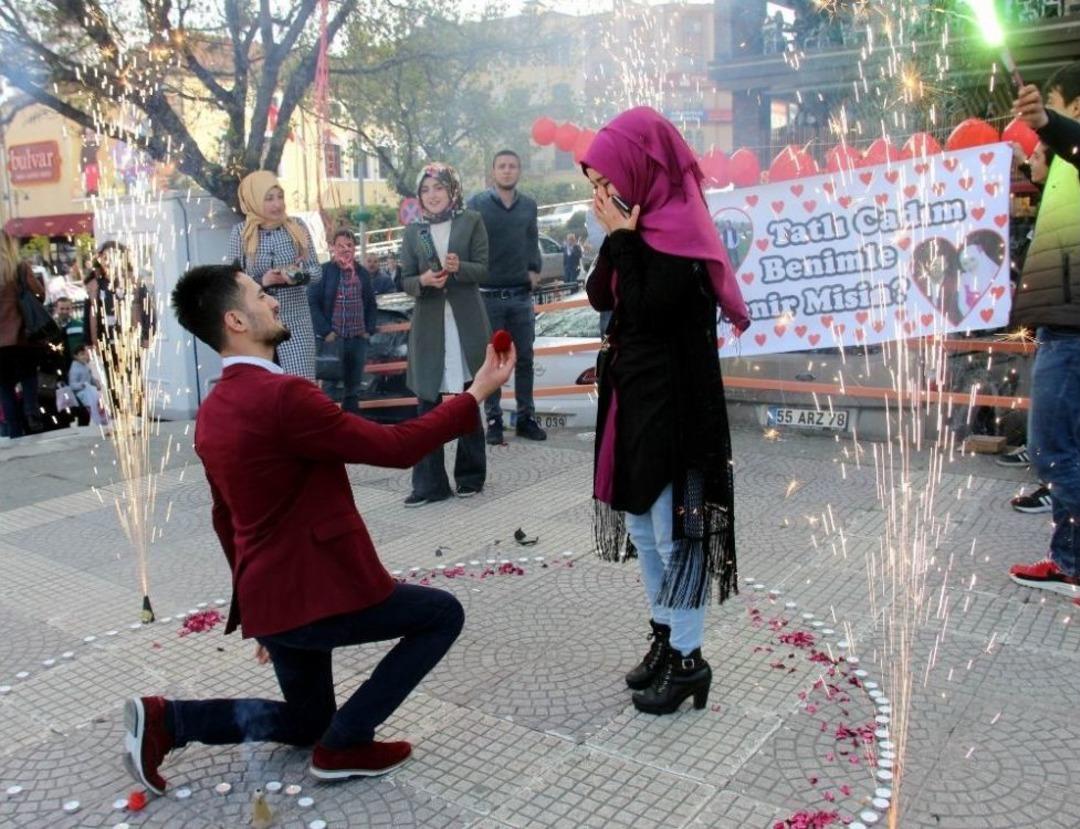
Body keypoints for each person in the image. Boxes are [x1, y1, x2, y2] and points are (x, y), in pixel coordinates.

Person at [123, 262, 515, 794]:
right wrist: (475, 394)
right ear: (235, 320)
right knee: (441, 615)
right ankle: (346, 744)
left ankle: (169, 721)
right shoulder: (284, 396)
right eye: (260, 296)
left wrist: (259, 613)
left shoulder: (213, 409)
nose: (274, 301)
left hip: (272, 599)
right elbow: (396, 448)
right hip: (317, 591)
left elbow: (225, 518)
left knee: (307, 720)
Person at [581, 107, 750, 715]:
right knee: (640, 529)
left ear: (639, 169)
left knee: (672, 533)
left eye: (608, 182)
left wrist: (624, 240)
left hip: (675, 406)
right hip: (634, 398)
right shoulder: (635, 227)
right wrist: (617, 237)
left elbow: (651, 310)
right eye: (595, 186)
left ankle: (688, 659)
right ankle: (664, 635)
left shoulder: (681, 230)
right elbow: (599, 295)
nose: (602, 196)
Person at [1006, 63, 1080, 605]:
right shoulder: (1064, 164)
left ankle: (1072, 562)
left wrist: (1048, 124)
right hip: (1061, 325)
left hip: (1071, 329)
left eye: (1055, 103)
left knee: (1052, 450)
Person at [400, 163, 491, 506]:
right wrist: (422, 281)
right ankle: (429, 485)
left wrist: (459, 268)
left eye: (438, 187)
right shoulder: (414, 232)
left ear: (452, 190)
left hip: (466, 325)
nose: (432, 195)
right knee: (428, 403)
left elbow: (483, 268)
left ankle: (470, 476)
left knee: (469, 397)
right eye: (425, 190)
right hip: (430, 328)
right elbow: (405, 280)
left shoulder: (471, 221)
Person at [467, 149, 547, 444]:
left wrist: (534, 268)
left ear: (519, 171)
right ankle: (494, 420)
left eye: (512, 166)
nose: (507, 170)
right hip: (488, 296)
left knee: (525, 359)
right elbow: (467, 241)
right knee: (492, 361)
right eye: (502, 166)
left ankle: (526, 418)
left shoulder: (529, 205)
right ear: (493, 171)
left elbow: (532, 239)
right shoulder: (477, 204)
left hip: (520, 295)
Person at [225, 171, 320, 380]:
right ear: (254, 200)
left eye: (280, 197)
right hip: (256, 325)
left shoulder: (297, 227)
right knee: (263, 387)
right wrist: (263, 282)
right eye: (269, 199)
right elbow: (232, 282)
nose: (277, 204)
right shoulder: (241, 233)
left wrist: (297, 276)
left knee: (299, 386)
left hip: (295, 324)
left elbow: (316, 271)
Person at [309, 229, 377, 415]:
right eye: (340, 246)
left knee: (353, 390)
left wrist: (368, 330)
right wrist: (326, 332)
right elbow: (312, 302)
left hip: (357, 340)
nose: (345, 249)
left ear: (354, 248)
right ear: (333, 248)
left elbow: (371, 304)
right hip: (333, 340)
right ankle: (327, 427)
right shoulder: (324, 271)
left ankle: (352, 427)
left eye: (349, 245)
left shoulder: (363, 273)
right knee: (328, 390)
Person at [0, 231, 46, 438]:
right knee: (28, 376)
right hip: (22, 336)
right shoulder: (19, 268)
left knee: (4, 387)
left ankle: (14, 430)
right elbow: (40, 294)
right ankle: (31, 412)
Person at [68, 343, 109, 429]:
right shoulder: (74, 368)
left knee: (96, 406)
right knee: (84, 415)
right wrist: (82, 385)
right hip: (80, 395)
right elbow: (72, 385)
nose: (84, 356)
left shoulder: (85, 365)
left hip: (89, 393)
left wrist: (95, 383)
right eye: (81, 354)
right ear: (76, 356)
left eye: (85, 354)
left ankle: (101, 420)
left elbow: (90, 377)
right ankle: (86, 427)